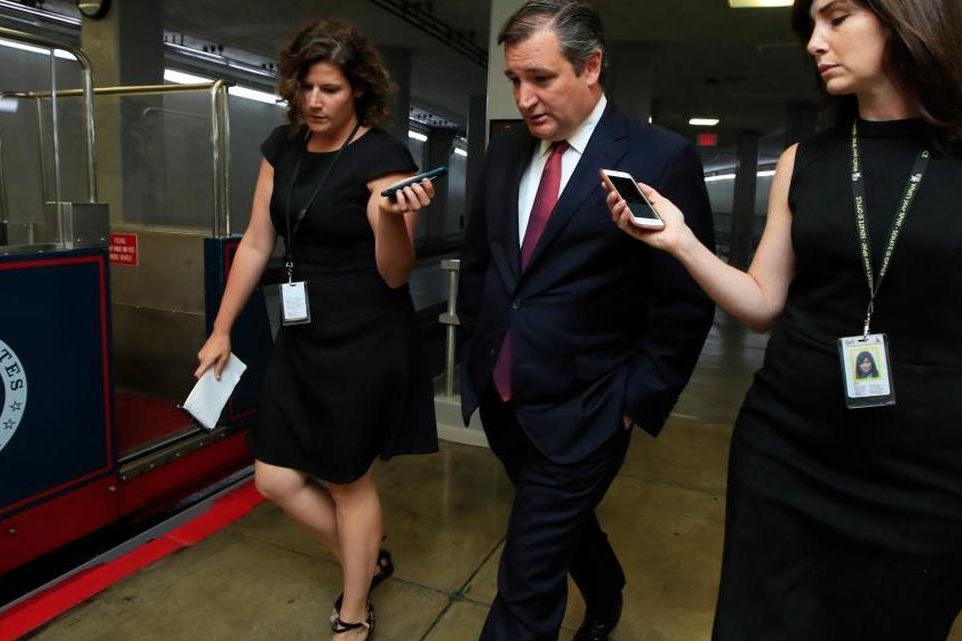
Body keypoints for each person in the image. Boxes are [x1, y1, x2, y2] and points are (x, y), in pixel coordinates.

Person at [604, 0, 962, 638]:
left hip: (928, 471)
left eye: (837, 18)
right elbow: (764, 304)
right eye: (810, 26)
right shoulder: (806, 160)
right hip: (788, 449)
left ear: (906, 16)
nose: (815, 42)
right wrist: (682, 241)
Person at [457, 2, 716, 639]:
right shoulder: (503, 155)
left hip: (591, 408)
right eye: (515, 79)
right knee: (553, 527)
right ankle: (606, 589)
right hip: (506, 401)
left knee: (526, 574)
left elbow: (683, 301)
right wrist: (479, 359)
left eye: (541, 78)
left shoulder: (658, 157)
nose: (523, 97)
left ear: (592, 65)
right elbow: (482, 267)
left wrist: (632, 402)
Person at [194, 19, 439, 641]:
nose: (315, 101)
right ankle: (366, 559)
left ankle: (354, 610)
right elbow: (256, 241)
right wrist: (221, 328)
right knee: (273, 476)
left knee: (346, 478)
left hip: (365, 332)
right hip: (302, 331)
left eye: (329, 88)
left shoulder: (383, 156)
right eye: (306, 87)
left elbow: (396, 271)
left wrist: (385, 219)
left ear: (358, 90)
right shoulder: (284, 146)